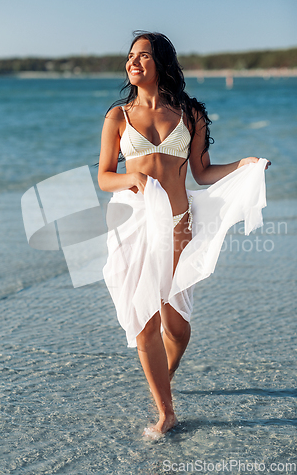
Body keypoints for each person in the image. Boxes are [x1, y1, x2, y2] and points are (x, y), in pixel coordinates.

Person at [98, 31, 270, 437]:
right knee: (145, 321)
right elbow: (105, 177)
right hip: (135, 225)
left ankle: (164, 377)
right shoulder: (118, 117)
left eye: (143, 56)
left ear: (161, 63)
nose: (133, 63)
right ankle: (166, 412)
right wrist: (131, 177)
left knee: (176, 326)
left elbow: (202, 172)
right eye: (130, 57)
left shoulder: (189, 114)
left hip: (178, 226)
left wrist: (243, 165)